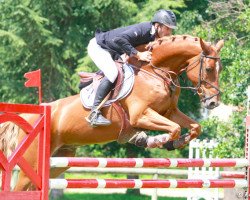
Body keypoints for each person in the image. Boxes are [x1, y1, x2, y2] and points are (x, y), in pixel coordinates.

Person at [86, 9, 177, 127]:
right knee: (113, 73)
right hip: (99, 47)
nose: (169, 32)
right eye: (167, 28)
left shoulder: (153, 36)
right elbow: (119, 39)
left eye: (171, 29)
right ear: (158, 25)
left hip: (114, 50)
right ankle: (94, 112)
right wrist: (138, 55)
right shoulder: (144, 29)